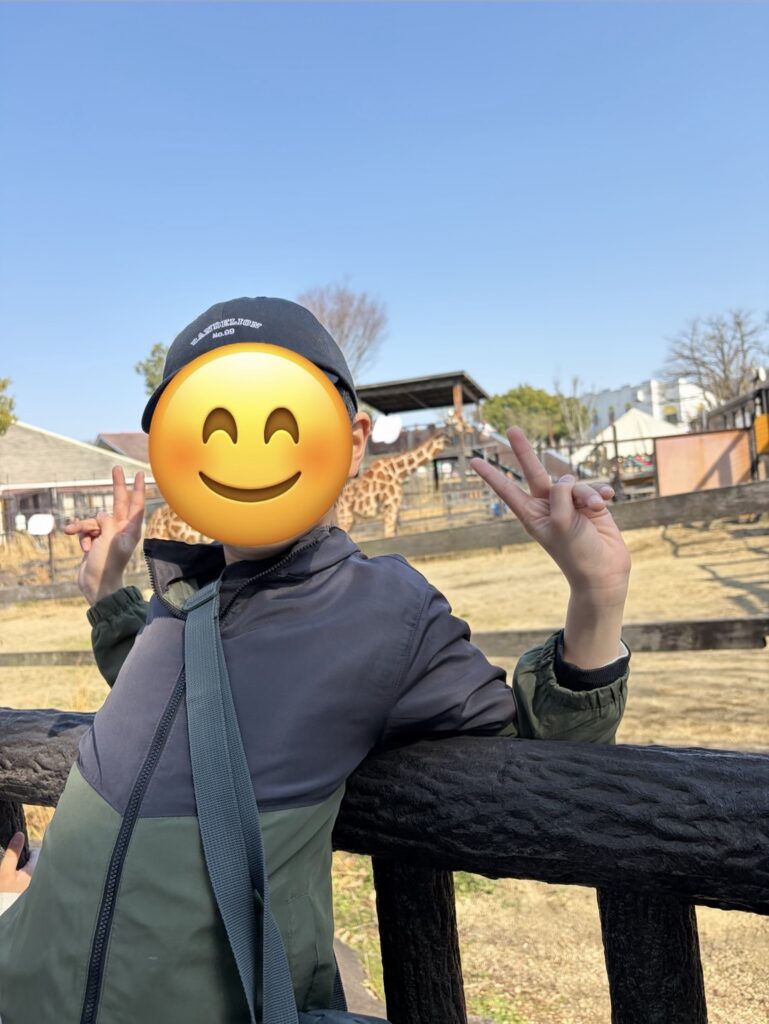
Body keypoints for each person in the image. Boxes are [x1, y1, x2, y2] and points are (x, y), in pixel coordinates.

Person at [0, 297, 630, 1024]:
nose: (245, 451)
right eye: (207, 424)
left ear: (353, 439)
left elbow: (541, 754)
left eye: (279, 419)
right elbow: (174, 709)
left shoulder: (384, 611)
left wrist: (595, 594)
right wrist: (106, 592)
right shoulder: (187, 598)